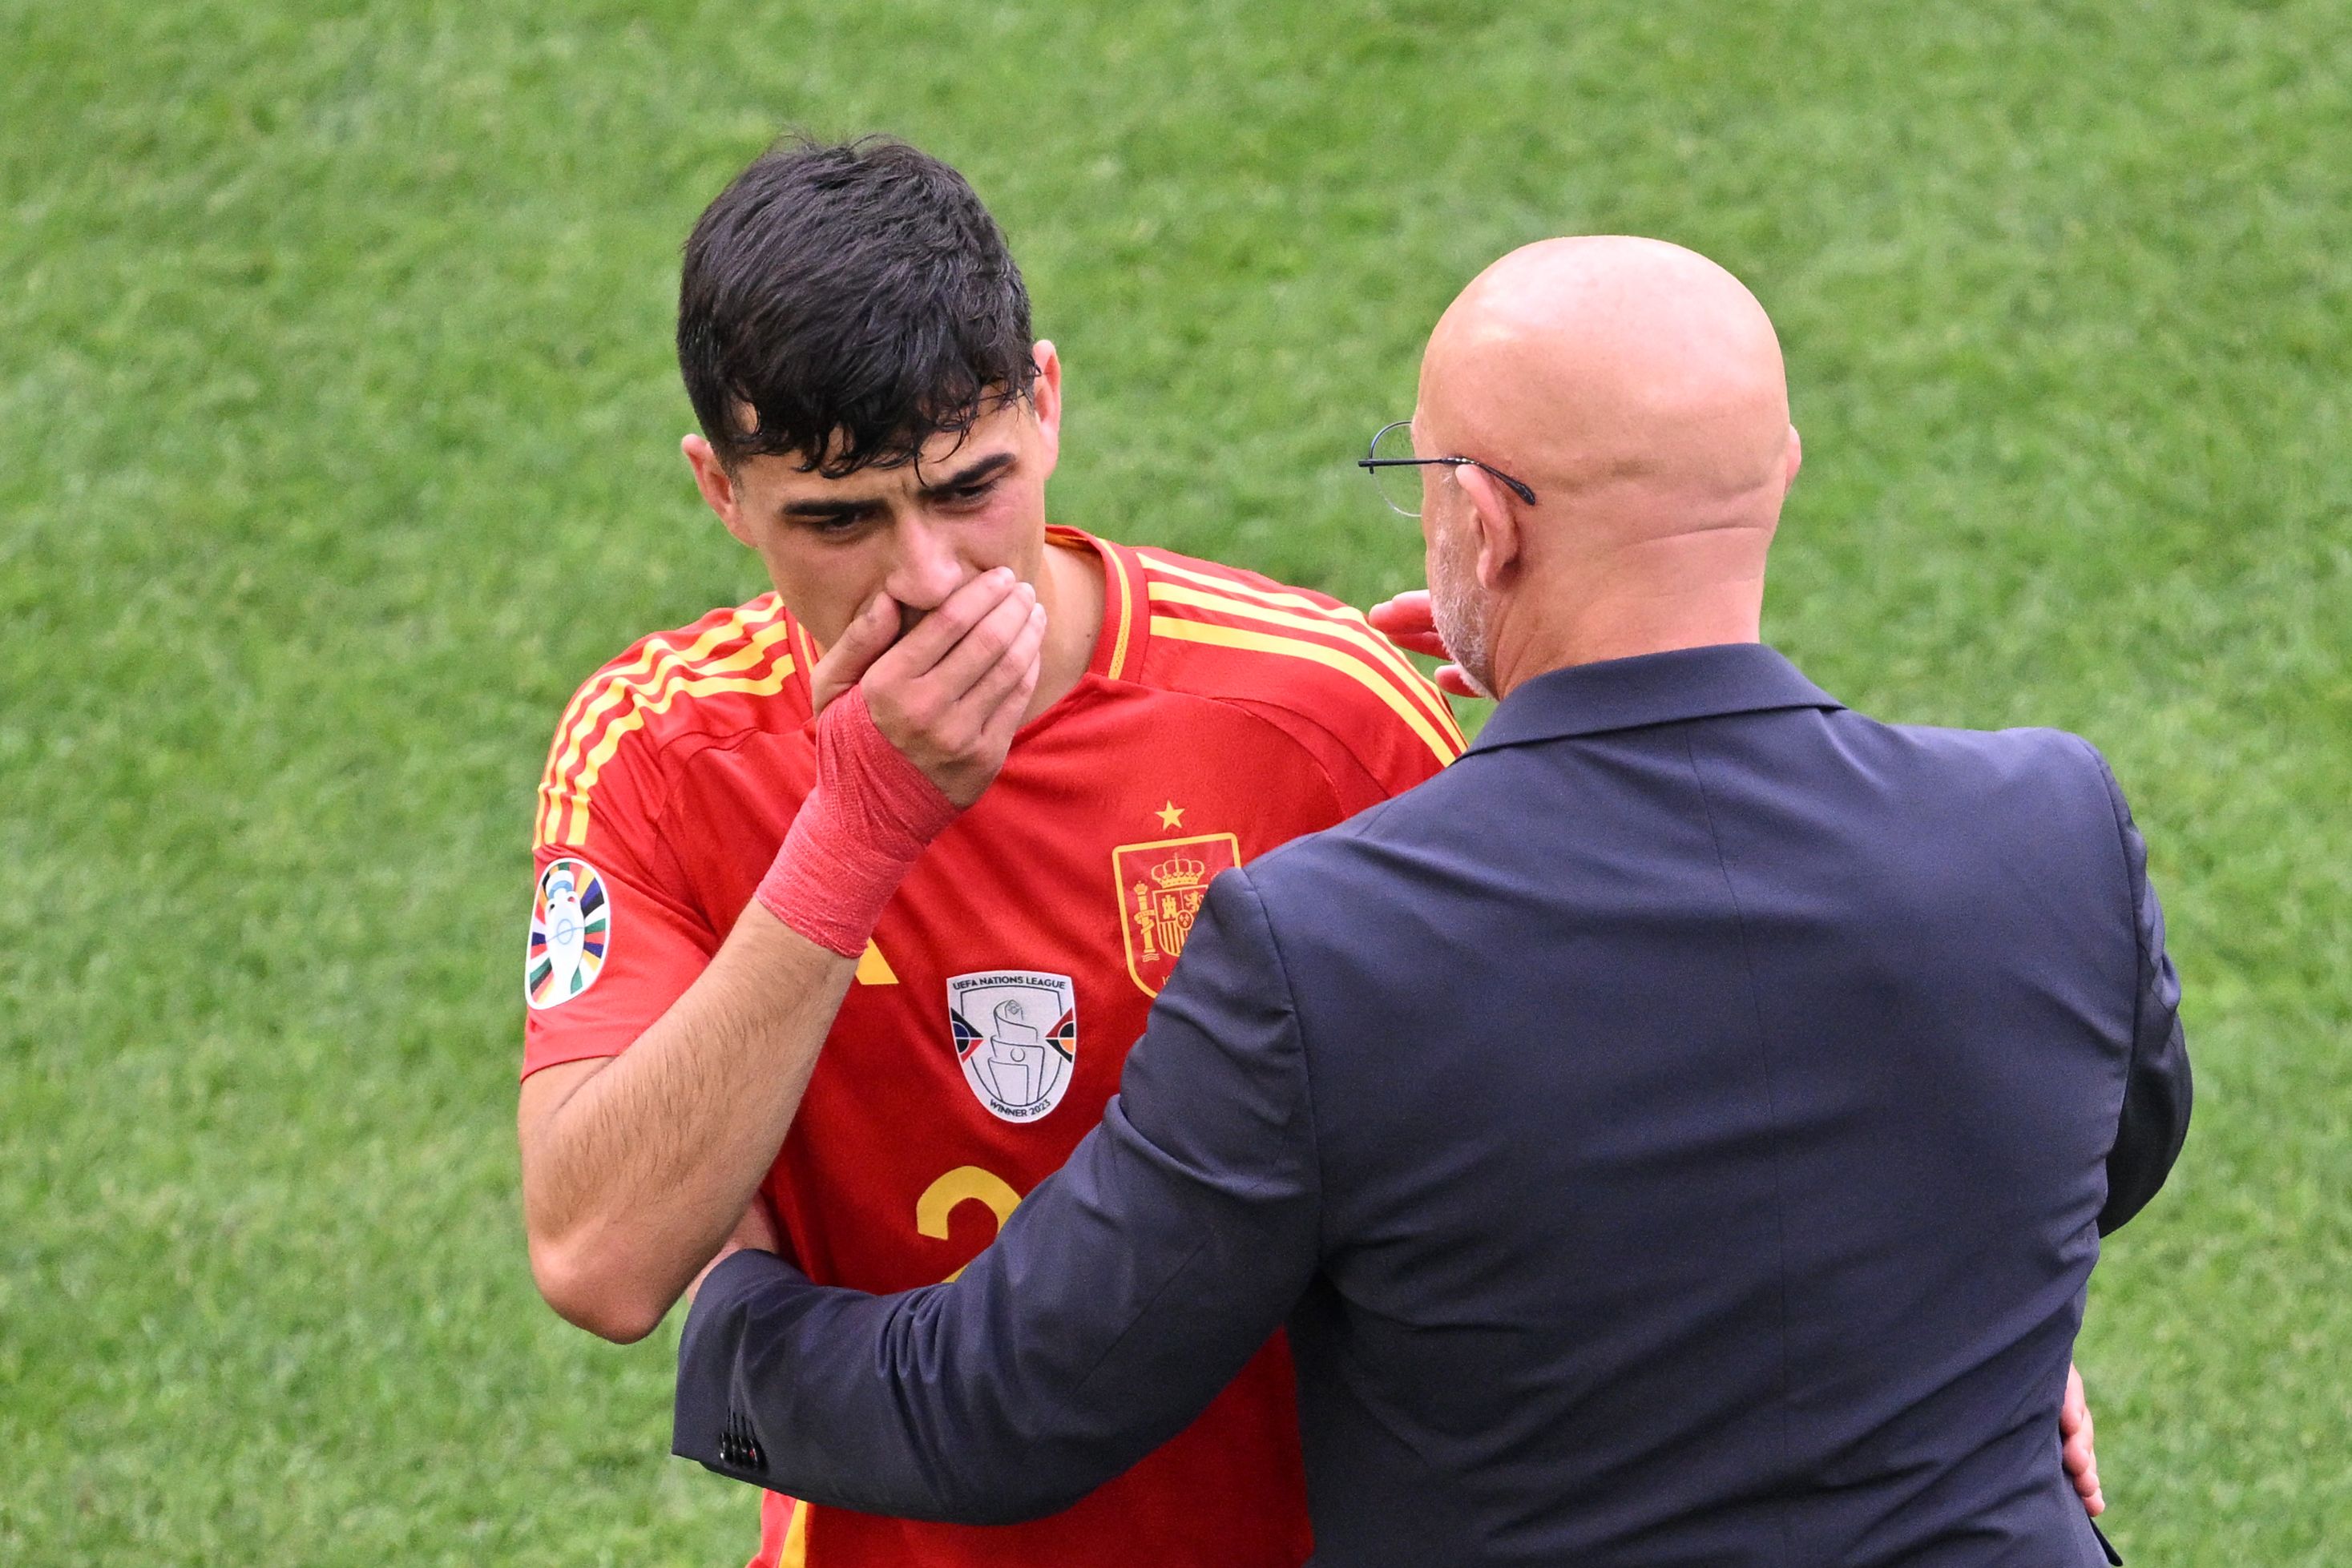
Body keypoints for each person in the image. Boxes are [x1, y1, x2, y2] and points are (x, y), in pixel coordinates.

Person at [671, 236, 2188, 1566]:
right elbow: (2100, 1161)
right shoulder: (2054, 822)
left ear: (1488, 524)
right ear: (1776, 475)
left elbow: (1005, 1408)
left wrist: (737, 1309)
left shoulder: (1323, 950)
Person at [514, 136, 1465, 1568]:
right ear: (720, 490)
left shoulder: (1319, 714)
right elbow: (599, 1256)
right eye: (837, 519)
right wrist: (854, 834)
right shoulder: (661, 757)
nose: (928, 578)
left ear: (1051, 402)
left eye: (969, 489)